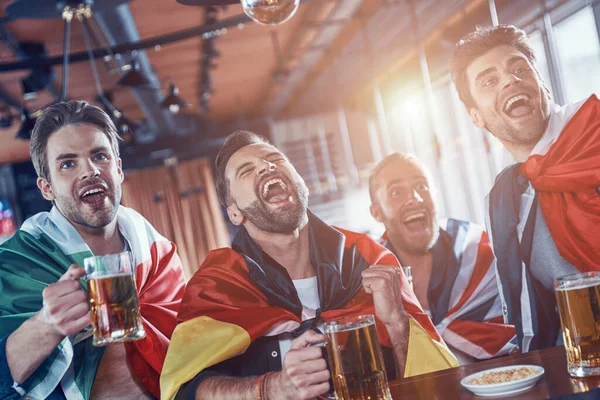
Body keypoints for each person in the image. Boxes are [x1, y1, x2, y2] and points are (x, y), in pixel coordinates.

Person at [160, 131, 458, 400]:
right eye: (246, 171)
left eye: (275, 159)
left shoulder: (369, 257)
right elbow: (183, 391)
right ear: (235, 213)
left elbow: (440, 386)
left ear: (300, 182)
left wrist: (397, 325)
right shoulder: (217, 284)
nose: (267, 167)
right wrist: (271, 388)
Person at [0, 101, 186, 399]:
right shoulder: (14, 265)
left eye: (99, 156)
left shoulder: (156, 253)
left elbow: (193, 341)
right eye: (68, 164)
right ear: (46, 188)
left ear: (119, 169)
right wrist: (46, 324)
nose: (90, 171)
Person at [451, 25, 600, 352]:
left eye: (520, 69)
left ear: (543, 85)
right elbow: (537, 317)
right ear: (475, 115)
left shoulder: (596, 134)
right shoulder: (505, 198)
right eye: (489, 80)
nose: (510, 81)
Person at [369, 153, 517, 364]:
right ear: (377, 212)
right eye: (397, 192)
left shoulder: (479, 251)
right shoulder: (366, 275)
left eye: (421, 186)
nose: (414, 198)